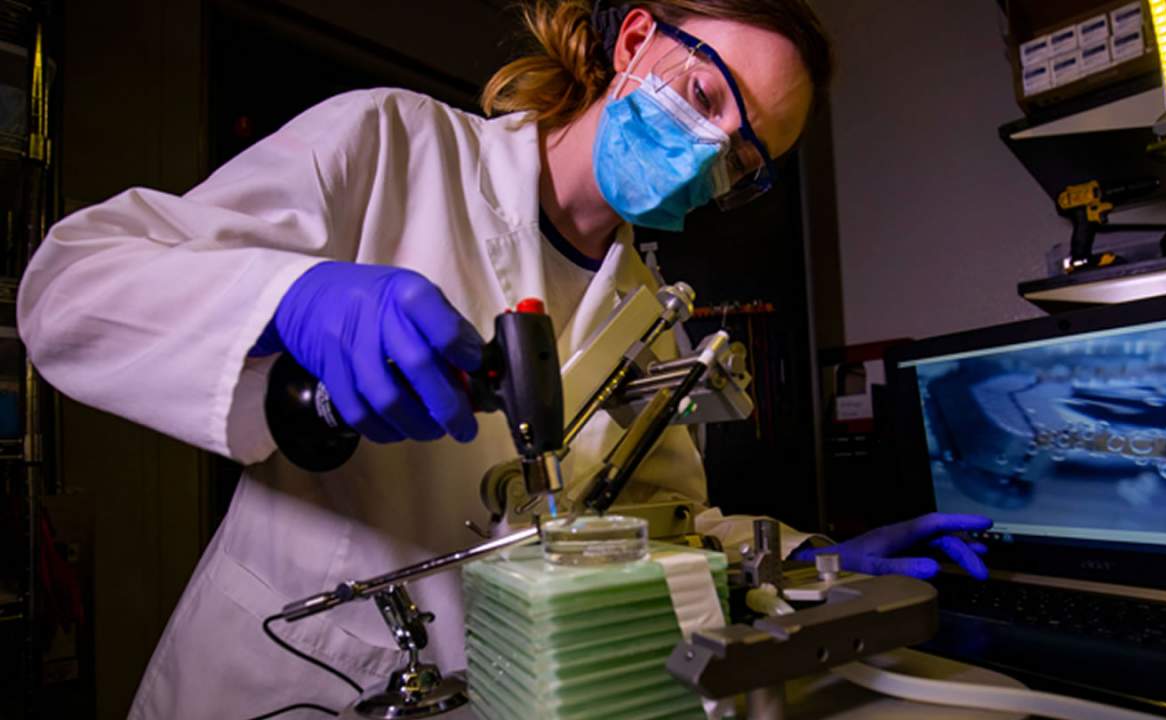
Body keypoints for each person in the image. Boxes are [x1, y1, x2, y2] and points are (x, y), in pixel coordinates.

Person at [17, 1, 992, 717]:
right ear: (635, 39)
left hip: (505, 692)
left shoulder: (653, 321)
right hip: (282, 674)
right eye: (704, 95)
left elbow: (660, 525)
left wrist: (802, 558)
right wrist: (288, 298)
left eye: (744, 156)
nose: (710, 152)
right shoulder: (392, 145)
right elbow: (69, 289)